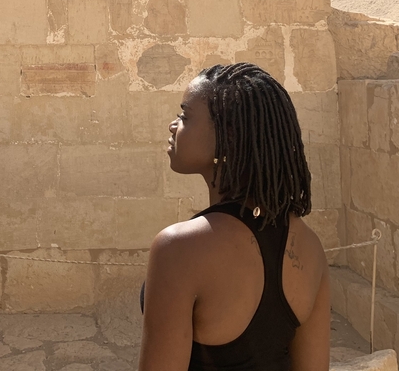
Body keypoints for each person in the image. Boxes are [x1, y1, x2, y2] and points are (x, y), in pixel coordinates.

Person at [138, 63, 330, 371]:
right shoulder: (309, 246)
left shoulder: (179, 249)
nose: (173, 125)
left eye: (185, 116)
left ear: (227, 137)